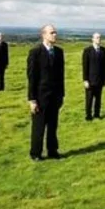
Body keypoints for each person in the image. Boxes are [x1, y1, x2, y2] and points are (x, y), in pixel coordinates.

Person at [27, 24, 65, 161]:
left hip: (55, 96)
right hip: (40, 97)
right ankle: (36, 153)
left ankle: (52, 151)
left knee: (53, 126)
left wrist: (61, 95)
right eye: (52, 32)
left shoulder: (59, 52)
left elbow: (61, 76)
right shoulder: (35, 52)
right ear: (44, 35)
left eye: (55, 32)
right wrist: (32, 100)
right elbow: (32, 78)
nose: (55, 35)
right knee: (39, 127)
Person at [82, 32, 105, 121]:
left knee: (98, 98)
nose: (99, 39)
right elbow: (85, 66)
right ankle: (88, 116)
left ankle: (97, 114)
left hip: (100, 80)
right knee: (89, 99)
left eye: (100, 38)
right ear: (92, 39)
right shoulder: (87, 51)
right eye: (97, 38)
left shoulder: (104, 50)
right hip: (90, 80)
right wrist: (85, 80)